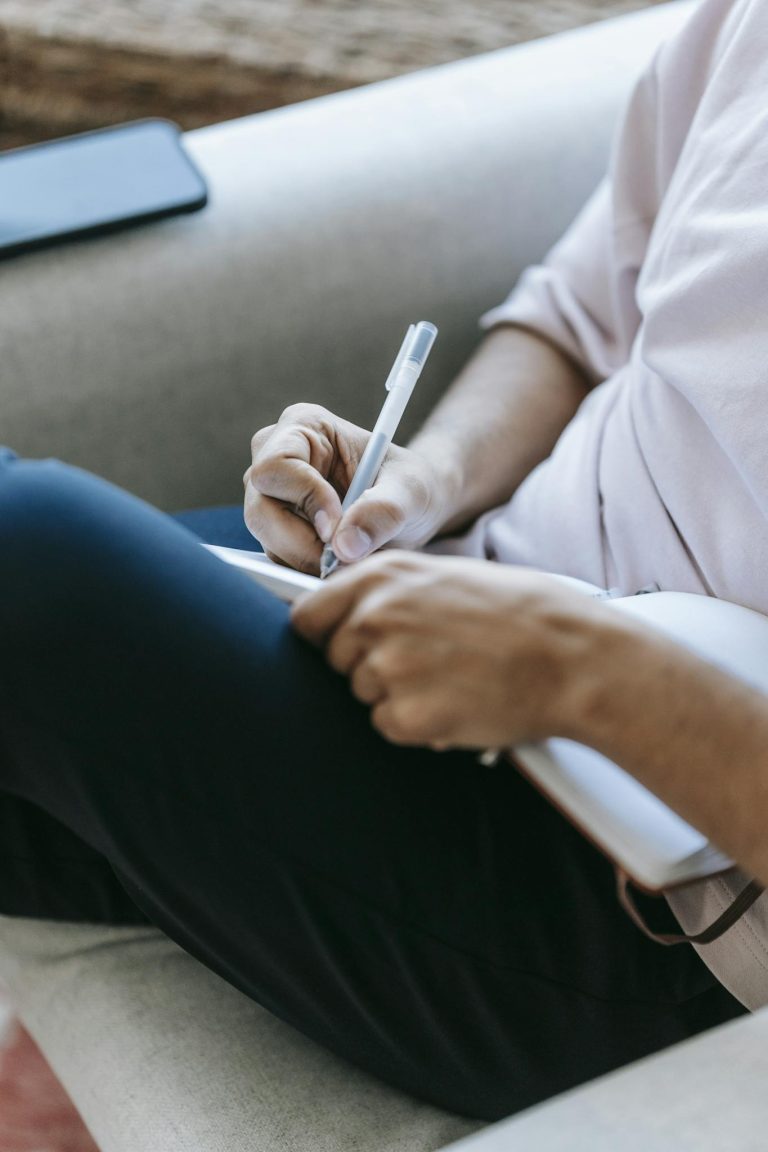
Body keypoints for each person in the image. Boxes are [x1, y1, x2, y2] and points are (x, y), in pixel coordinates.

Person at [1, 0, 767, 1122]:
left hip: (660, 887)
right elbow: (576, 319)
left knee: (39, 563)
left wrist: (582, 668)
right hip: (490, 596)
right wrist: (424, 482)